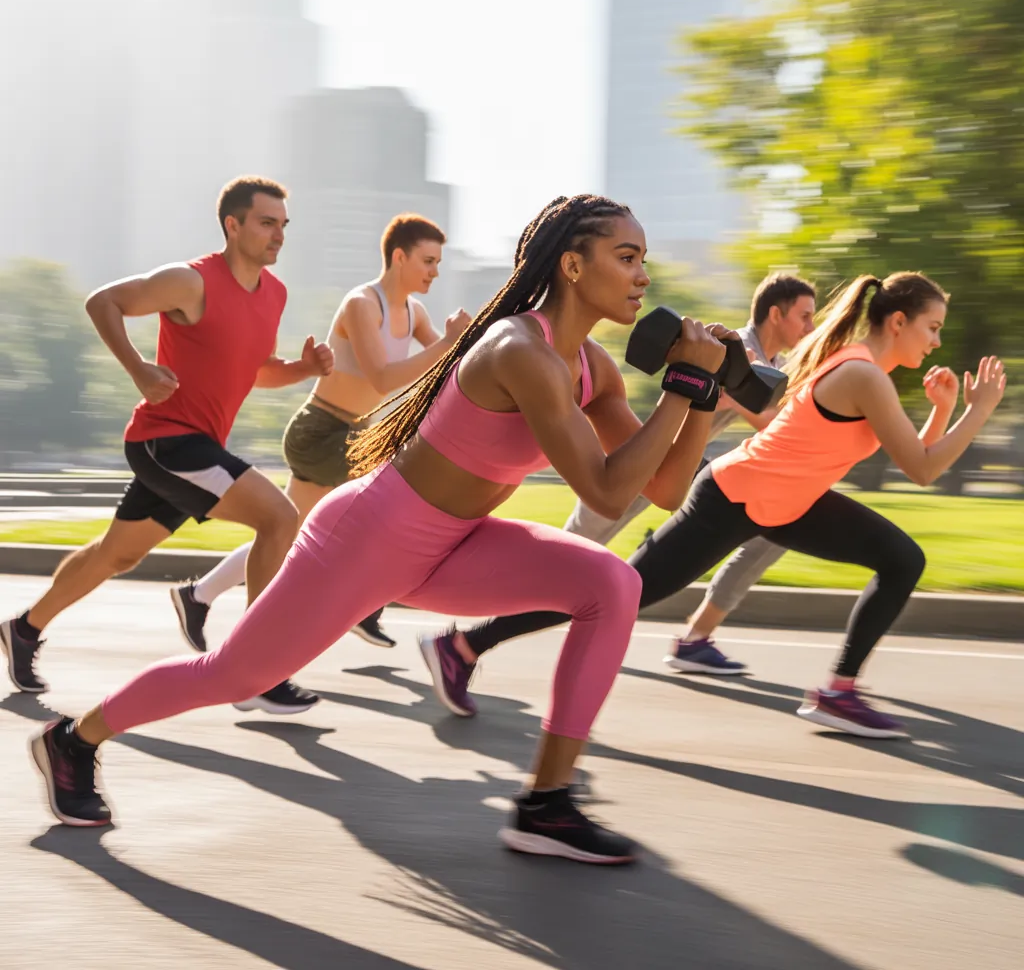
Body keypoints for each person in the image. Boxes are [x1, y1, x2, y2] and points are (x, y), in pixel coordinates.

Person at [28, 194, 731, 866]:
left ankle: (547, 805)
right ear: (573, 266)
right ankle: (73, 738)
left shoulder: (591, 368)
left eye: (642, 259)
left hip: (455, 544)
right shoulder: (521, 349)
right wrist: (684, 388)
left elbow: (663, 489)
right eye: (628, 256)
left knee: (611, 581)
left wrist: (702, 398)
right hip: (368, 537)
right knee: (237, 672)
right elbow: (605, 490)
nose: (643, 276)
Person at [444, 272, 1006, 740]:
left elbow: (919, 455)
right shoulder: (860, 373)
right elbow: (924, 468)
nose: (935, 342)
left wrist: (944, 410)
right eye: (932, 328)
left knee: (902, 559)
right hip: (734, 497)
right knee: (623, 590)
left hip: (788, 503)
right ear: (898, 321)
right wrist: (977, 411)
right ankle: (465, 643)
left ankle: (838, 692)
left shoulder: (866, 371)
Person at [1, 176, 333, 716]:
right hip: (166, 442)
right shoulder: (191, 281)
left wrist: (302, 369)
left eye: (283, 226)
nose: (278, 236)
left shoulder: (274, 294)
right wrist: (138, 369)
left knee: (119, 554)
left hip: (195, 447)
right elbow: (102, 301)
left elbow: (250, 371)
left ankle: (23, 629)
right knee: (279, 517)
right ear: (234, 224)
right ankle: (255, 669)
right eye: (267, 223)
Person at [419, 273, 817, 714]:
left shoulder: (768, 364)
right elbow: (767, 419)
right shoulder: (729, 350)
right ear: (775, 314)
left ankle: (694, 638)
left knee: (593, 573)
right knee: (567, 571)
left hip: (669, 472)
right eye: (804, 316)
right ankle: (458, 642)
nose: (810, 327)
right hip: (630, 461)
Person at [170, 214, 471, 651]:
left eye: (438, 263)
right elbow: (384, 378)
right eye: (428, 260)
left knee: (286, 533)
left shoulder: (415, 312)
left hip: (357, 434)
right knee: (385, 504)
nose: (434, 272)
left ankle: (197, 596)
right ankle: (360, 607)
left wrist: (468, 341)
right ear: (399, 257)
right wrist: (448, 343)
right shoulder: (362, 304)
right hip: (322, 432)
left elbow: (446, 367)